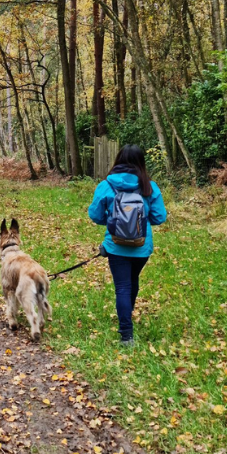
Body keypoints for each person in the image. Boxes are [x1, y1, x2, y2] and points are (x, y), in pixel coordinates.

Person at [87, 145, 167, 346]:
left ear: (118, 160)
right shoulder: (149, 187)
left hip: (115, 246)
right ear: (141, 162)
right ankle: (127, 316)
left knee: (122, 286)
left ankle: (126, 334)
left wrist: (114, 222)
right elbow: (159, 217)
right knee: (132, 281)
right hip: (141, 247)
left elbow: (95, 215)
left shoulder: (106, 185)